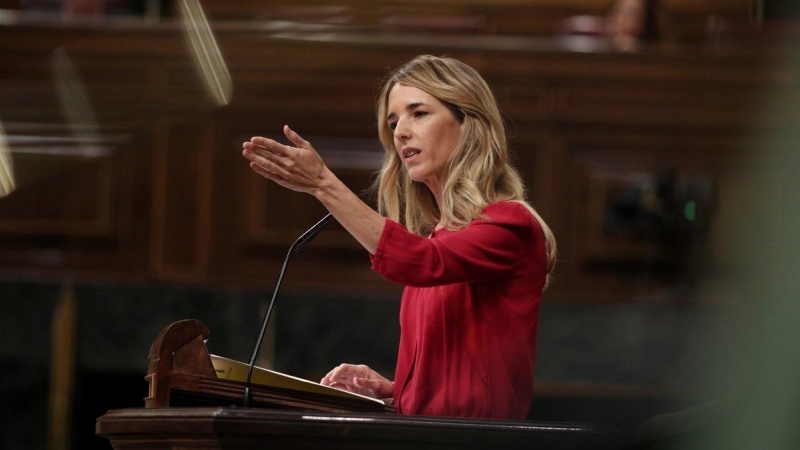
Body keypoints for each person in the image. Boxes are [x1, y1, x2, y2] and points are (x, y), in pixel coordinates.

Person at [241, 55, 557, 420]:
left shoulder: (509, 225)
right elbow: (462, 370)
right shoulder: (440, 237)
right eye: (394, 122)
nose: (400, 131)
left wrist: (324, 185)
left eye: (418, 113)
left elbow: (423, 263)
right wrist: (398, 389)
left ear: (468, 123)